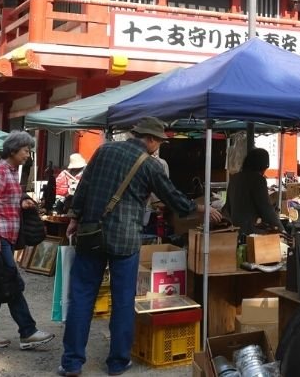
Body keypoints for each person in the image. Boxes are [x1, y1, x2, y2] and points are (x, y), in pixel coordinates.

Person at [59, 117, 207, 377]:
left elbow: (84, 186)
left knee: (81, 297)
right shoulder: (150, 165)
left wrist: (74, 217)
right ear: (150, 139)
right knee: (123, 300)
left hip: (91, 233)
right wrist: (198, 207)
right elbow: (173, 198)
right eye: (158, 141)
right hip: (125, 238)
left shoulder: (103, 151)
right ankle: (117, 362)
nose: (158, 146)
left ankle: (72, 362)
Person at [0, 131, 55, 351]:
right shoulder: (0, 172)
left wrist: (21, 203)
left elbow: (3, 202)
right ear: (13, 150)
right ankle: (28, 332)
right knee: (12, 283)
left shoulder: (10, 172)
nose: (28, 155)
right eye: (26, 150)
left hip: (4, 236)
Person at [226, 147, 285, 237]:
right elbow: (266, 209)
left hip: (235, 231)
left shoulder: (234, 178)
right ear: (262, 165)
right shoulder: (258, 180)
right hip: (252, 232)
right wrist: (282, 230)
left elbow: (227, 207)